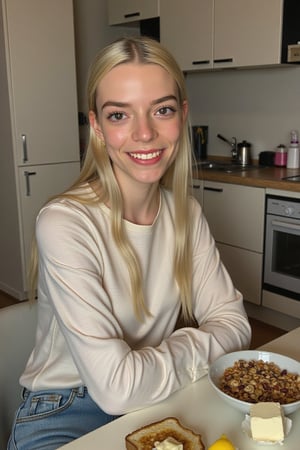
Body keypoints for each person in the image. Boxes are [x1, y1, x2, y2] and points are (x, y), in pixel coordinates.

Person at [8, 36, 251, 449]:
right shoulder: (65, 223)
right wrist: (199, 343)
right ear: (97, 127)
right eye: (119, 115)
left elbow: (237, 326)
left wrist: (143, 365)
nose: (144, 133)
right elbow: (115, 389)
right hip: (66, 407)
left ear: (182, 115)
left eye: (162, 110)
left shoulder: (186, 214)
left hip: (158, 393)